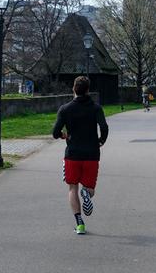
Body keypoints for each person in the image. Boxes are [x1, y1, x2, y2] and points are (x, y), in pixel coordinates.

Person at [52, 76, 109, 235]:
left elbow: (55, 132)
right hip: (91, 153)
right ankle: (87, 194)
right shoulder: (96, 108)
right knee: (90, 188)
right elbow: (104, 127)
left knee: (72, 188)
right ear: (88, 90)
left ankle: (79, 223)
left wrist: (64, 136)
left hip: (73, 154)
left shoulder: (65, 109)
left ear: (74, 89)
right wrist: (101, 141)